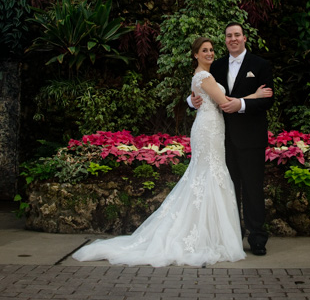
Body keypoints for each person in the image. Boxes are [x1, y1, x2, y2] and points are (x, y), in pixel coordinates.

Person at [71, 36, 272, 267]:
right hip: (208, 130)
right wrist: (254, 96)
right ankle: (207, 235)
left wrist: (194, 98)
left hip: (216, 129)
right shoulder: (204, 74)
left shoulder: (213, 71)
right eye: (204, 50)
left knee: (210, 177)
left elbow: (203, 94)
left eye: (211, 50)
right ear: (195, 54)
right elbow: (223, 100)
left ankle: (214, 233)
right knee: (206, 176)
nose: (210, 53)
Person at [191, 22, 274, 256]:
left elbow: (268, 99)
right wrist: (191, 101)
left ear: (244, 38)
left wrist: (245, 103)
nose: (233, 39)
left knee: (252, 188)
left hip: (250, 137)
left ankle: (257, 237)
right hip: (221, 138)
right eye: (229, 36)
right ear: (225, 40)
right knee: (226, 187)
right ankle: (231, 236)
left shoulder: (260, 65)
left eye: (237, 35)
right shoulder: (214, 66)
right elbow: (203, 91)